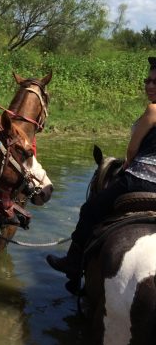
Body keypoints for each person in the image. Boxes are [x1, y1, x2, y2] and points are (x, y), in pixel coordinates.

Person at [47, 56, 156, 294]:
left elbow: (132, 148)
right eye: (147, 80)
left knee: (90, 209)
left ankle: (73, 264)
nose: (149, 86)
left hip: (140, 179)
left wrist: (127, 163)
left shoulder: (153, 109)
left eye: (155, 82)